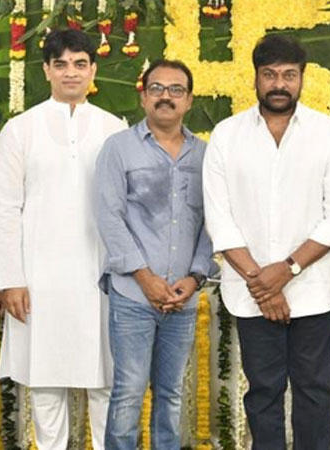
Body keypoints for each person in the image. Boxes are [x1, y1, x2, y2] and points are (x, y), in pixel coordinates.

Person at [203, 35, 330, 449]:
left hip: (313, 291)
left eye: (289, 75)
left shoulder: (328, 133)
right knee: (263, 393)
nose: (279, 84)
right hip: (250, 291)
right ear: (255, 77)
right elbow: (220, 219)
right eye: (269, 74)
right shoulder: (227, 135)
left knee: (314, 392)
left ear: (302, 78)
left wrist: (286, 271)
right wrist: (263, 284)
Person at [0, 30, 126, 449]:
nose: (71, 73)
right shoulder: (20, 129)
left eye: (80, 64)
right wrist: (11, 279)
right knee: (45, 382)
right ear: (47, 70)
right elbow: (4, 208)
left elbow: (124, 207)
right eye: (61, 64)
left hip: (99, 277)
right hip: (37, 279)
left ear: (93, 70)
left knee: (105, 380)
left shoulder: (114, 128)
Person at [94, 59, 215, 450]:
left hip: (183, 296)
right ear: (143, 96)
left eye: (176, 89)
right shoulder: (119, 148)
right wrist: (145, 278)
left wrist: (195, 277)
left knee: (171, 393)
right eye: (157, 88)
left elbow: (215, 222)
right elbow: (109, 217)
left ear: (189, 100)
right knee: (129, 392)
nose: (166, 96)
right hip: (133, 296)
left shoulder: (206, 155)